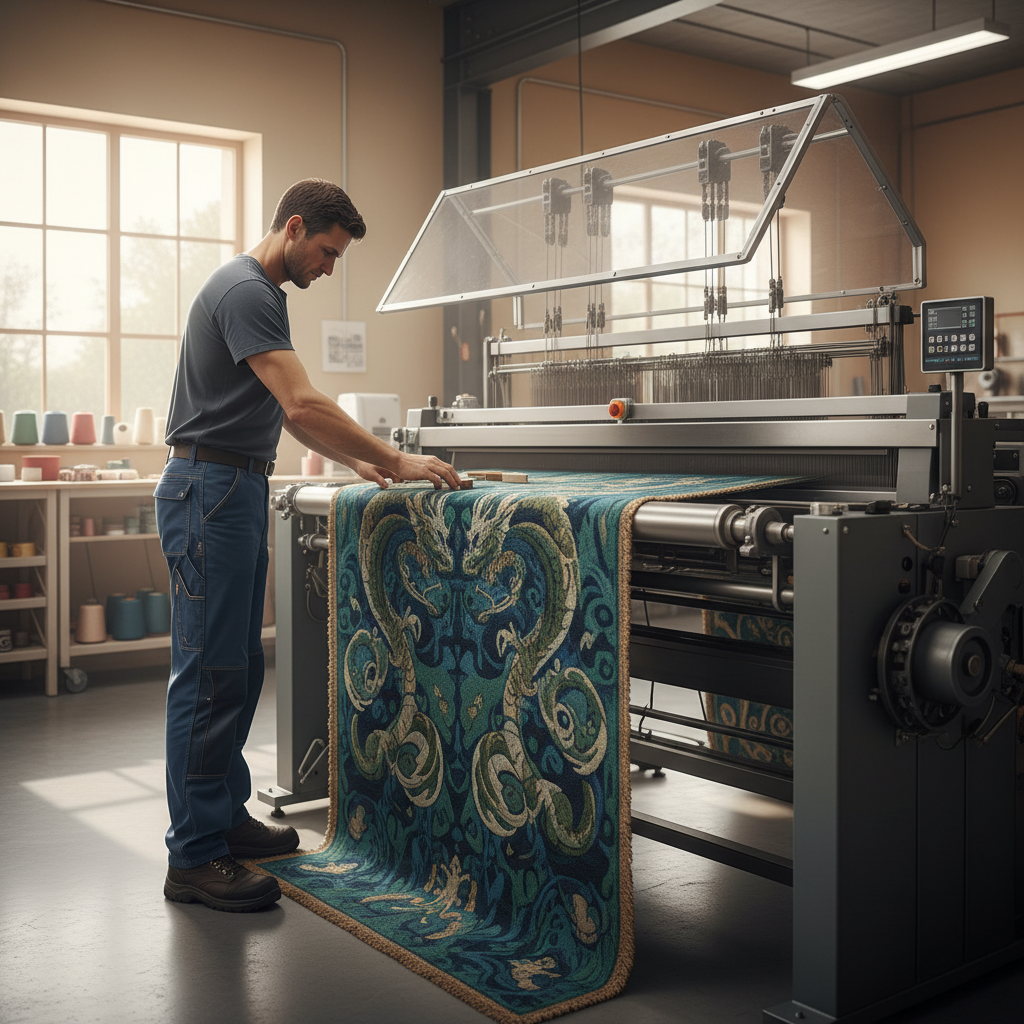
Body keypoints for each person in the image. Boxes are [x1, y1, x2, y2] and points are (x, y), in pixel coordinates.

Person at [156, 178, 460, 912]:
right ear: (294, 228)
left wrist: (355, 460)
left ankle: (222, 819)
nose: (328, 268)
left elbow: (278, 407)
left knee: (234, 668)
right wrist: (394, 459)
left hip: (231, 489)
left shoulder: (260, 295)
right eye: (326, 252)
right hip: (210, 492)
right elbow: (302, 400)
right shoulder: (246, 291)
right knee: (206, 675)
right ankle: (193, 857)